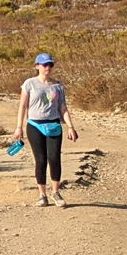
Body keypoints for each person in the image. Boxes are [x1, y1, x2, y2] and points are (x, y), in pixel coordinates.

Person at [14, 53, 76, 206]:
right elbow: (22, 106)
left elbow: (63, 107)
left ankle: (56, 192)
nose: (47, 67)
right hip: (34, 125)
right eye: (44, 64)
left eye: (50, 64)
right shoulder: (29, 83)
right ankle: (42, 194)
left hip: (54, 124)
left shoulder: (58, 86)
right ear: (37, 66)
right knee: (40, 160)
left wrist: (70, 127)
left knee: (54, 158)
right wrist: (19, 127)